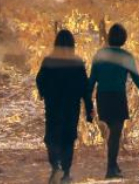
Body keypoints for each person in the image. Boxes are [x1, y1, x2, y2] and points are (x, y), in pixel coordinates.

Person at [88, 23, 139, 179]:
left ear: (109, 38)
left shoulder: (100, 55)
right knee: (116, 133)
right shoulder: (126, 56)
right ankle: (111, 168)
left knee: (111, 133)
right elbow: (135, 76)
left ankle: (113, 165)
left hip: (103, 97)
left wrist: (87, 99)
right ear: (124, 39)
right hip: (117, 96)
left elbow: (92, 80)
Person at [35, 30, 93, 184]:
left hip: (53, 106)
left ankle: (56, 166)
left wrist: (43, 93)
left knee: (51, 137)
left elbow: (39, 79)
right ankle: (66, 173)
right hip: (71, 107)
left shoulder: (48, 61)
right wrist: (89, 109)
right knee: (68, 138)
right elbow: (85, 87)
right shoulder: (77, 62)